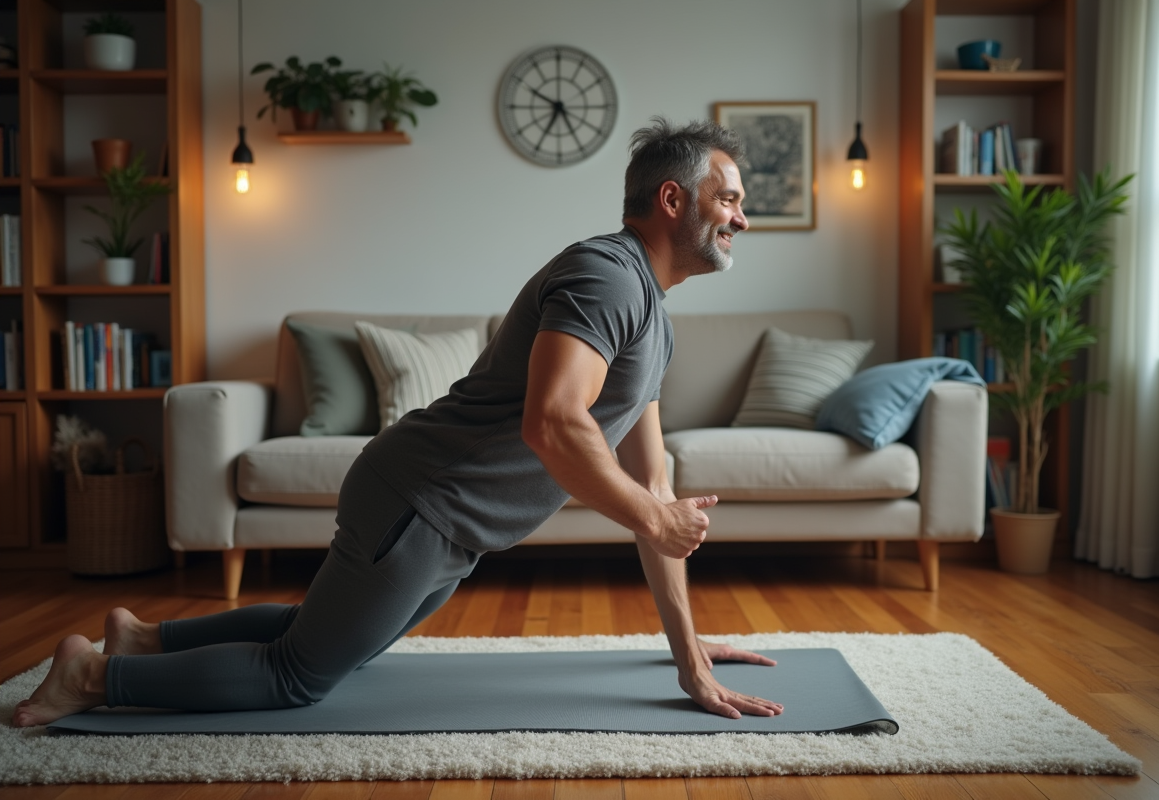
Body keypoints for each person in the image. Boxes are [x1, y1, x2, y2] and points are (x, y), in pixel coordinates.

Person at [13, 117, 784, 727]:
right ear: (672, 200)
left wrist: (690, 652)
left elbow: (655, 484)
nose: (742, 219)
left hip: (447, 522)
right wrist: (655, 513)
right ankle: (91, 676)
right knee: (299, 676)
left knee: (322, 637)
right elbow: (554, 423)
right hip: (420, 501)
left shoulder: (655, 317)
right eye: (730, 200)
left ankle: (144, 639)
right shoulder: (606, 278)